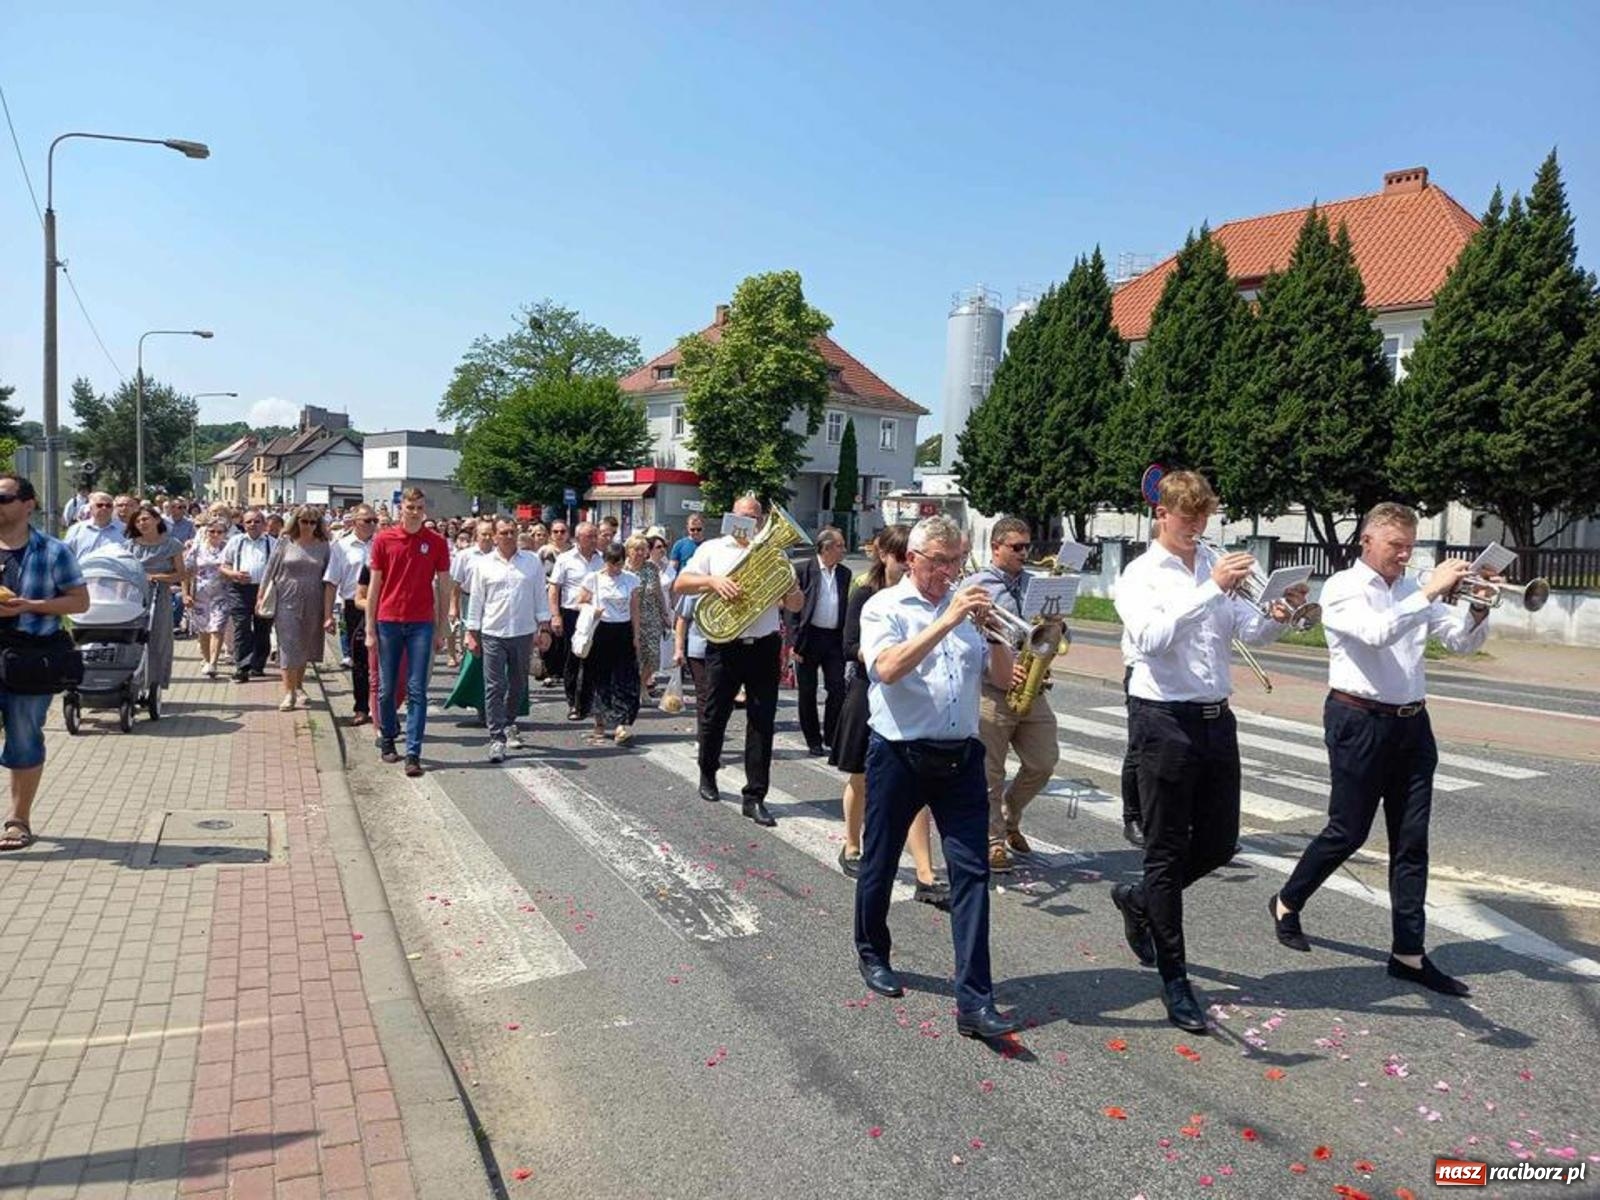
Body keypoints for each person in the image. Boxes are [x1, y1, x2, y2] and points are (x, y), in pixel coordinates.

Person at [1109, 470, 1305, 1033]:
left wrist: (1279, 613)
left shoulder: (1213, 568)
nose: (1197, 527)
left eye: (1204, 516)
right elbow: (1149, 638)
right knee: (1166, 852)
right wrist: (1210, 588)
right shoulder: (1140, 574)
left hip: (1217, 720)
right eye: (1187, 516)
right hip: (1163, 719)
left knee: (1220, 842)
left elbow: (1249, 634)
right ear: (1162, 516)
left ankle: (1140, 899)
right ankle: (1175, 979)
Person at [1271, 503, 1489, 997]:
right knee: (1347, 831)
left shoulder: (1413, 590)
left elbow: (1458, 643)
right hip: (1358, 719)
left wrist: (1477, 607)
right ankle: (1287, 900)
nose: (1405, 555)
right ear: (1367, 541)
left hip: (1413, 724)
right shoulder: (1343, 589)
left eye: (1410, 546)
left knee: (1412, 842)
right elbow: (1375, 633)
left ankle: (1408, 953)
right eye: (1396, 546)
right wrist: (1432, 589)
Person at [852, 515, 1020, 1040]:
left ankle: (975, 1001)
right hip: (900, 754)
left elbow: (997, 679)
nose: (951, 572)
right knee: (879, 862)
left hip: (961, 756)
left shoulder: (969, 609)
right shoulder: (886, 607)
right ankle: (872, 951)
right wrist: (947, 620)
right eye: (941, 562)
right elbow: (887, 669)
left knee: (972, 876)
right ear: (913, 559)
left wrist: (995, 634)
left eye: (957, 561)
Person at [830, 525, 948, 907]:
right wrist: (883, 655)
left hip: (912, 696)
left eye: (906, 558)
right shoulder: (866, 594)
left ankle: (926, 874)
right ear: (887, 557)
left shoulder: (927, 598)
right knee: (860, 778)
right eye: (898, 557)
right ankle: (851, 845)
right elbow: (848, 646)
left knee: (919, 791)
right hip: (869, 691)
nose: (902, 565)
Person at [673, 495, 804, 827]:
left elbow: (797, 604)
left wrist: (790, 590)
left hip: (763, 646)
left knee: (762, 722)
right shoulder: (712, 549)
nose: (749, 521)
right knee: (715, 714)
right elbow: (681, 584)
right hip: (723, 644)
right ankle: (708, 771)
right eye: (743, 515)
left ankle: (755, 796)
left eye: (755, 516)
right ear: (732, 517)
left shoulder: (774, 555)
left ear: (761, 520)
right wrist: (712, 581)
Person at [962, 518, 1061, 872]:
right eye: (1017, 547)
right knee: (991, 772)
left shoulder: (1036, 585)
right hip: (992, 691)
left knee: (1043, 762)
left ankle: (1010, 812)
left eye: (1027, 547)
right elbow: (965, 639)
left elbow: (1056, 639)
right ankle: (993, 840)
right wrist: (994, 665)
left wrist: (1057, 625)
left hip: (1032, 688)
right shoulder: (976, 585)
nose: (1025, 553)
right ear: (997, 548)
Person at [0, 474, 89, 852]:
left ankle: (18, 820)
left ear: (27, 503)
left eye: (2, 497)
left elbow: (79, 602)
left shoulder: (54, 551)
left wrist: (32, 605)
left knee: (23, 736)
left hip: (29, 656)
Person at [367, 487, 451, 777]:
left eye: (418, 507)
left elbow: (443, 586)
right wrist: (369, 629)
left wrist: (442, 629)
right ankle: (388, 736)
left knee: (417, 690)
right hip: (388, 621)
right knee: (388, 687)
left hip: (421, 624)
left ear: (424, 510)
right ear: (400, 509)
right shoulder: (383, 539)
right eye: (409, 507)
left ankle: (414, 752)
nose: (414, 512)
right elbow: (375, 587)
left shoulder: (436, 542)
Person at [466, 518, 552, 763]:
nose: (508, 536)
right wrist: (472, 632)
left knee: (518, 684)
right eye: (503, 532)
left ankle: (509, 721)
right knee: (494, 686)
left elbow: (539, 595)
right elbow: (476, 601)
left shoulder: (531, 562)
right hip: (493, 631)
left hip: (523, 632)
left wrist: (543, 627)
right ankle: (496, 738)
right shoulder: (483, 565)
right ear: (494, 536)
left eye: (512, 532)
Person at [787, 527, 852, 757]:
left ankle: (832, 735)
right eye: (839, 546)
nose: (844, 550)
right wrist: (793, 642)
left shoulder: (844, 573)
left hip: (834, 638)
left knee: (837, 688)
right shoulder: (803, 569)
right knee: (808, 691)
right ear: (825, 548)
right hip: (809, 637)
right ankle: (813, 739)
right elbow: (792, 609)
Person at [574, 540, 642, 745]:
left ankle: (622, 724)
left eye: (620, 563)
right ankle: (599, 723)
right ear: (605, 561)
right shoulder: (593, 578)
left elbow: (635, 608)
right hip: (600, 630)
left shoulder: (631, 579)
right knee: (599, 678)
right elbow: (579, 602)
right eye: (613, 563)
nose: (616, 568)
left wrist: (636, 634)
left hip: (622, 630)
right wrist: (590, 610)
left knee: (624, 678)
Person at [267, 505, 335, 712]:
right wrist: (262, 594)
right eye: (304, 521)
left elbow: (329, 578)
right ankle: (288, 693)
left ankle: (298, 685)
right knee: (288, 644)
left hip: (314, 599)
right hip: (286, 597)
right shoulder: (285, 541)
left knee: (304, 645)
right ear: (296, 521)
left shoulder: (324, 545)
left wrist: (328, 611)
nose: (308, 526)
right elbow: (270, 569)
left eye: (313, 522)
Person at [125, 504, 188, 692]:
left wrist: (157, 577)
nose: (142, 523)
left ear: (157, 520)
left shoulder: (172, 544)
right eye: (137, 521)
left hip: (159, 595)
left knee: (158, 638)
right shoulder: (129, 545)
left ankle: (155, 684)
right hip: (134, 596)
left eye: (145, 519)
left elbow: (180, 574)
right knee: (134, 637)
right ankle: (133, 681)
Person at [325, 505, 377, 725]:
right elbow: (331, 581)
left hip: (380, 606)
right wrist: (327, 615)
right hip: (354, 607)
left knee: (382, 661)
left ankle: (380, 707)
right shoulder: (341, 546)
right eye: (367, 520)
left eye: (374, 520)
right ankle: (361, 708)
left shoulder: (382, 543)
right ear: (355, 521)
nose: (372, 524)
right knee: (360, 662)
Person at [548, 522, 604, 721]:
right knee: (573, 659)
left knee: (592, 658)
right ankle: (573, 702)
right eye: (589, 536)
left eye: (595, 535)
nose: (593, 539)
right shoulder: (565, 559)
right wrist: (555, 615)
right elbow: (554, 588)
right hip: (572, 613)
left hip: (595, 615)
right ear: (578, 538)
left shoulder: (602, 559)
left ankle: (586, 702)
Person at [221, 510, 277, 682]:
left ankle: (258, 665)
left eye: (257, 521)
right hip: (239, 589)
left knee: (263, 628)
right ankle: (242, 667)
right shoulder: (235, 541)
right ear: (243, 524)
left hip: (264, 591)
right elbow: (223, 566)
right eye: (249, 522)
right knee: (242, 627)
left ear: (264, 524)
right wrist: (234, 574)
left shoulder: (273, 543)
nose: (253, 524)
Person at [184, 519, 233, 678]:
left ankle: (213, 662)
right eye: (212, 531)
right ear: (206, 532)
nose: (216, 535)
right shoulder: (197, 549)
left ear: (225, 533)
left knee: (217, 628)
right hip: (200, 596)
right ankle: (206, 660)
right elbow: (187, 571)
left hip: (222, 595)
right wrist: (186, 594)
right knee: (203, 630)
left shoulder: (228, 548)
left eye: (220, 532)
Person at [636, 530, 672, 701]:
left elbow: (658, 592)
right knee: (635, 655)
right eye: (637, 549)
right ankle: (634, 687)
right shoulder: (626, 568)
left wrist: (665, 614)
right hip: (632, 618)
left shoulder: (651, 568)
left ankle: (643, 685)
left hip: (652, 617)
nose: (641, 553)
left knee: (652, 655)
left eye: (643, 549)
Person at [64, 492, 123, 558]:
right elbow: (66, 555)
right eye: (99, 505)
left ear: (112, 509)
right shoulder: (76, 529)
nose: (104, 508)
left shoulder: (124, 530)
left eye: (108, 505)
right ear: (91, 508)